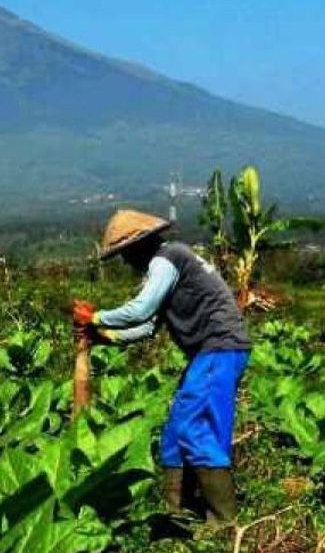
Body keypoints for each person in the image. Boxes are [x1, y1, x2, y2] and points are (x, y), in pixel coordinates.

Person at [74, 209, 251, 525]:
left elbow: (140, 310)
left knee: (197, 428)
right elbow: (147, 327)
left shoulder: (166, 259)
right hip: (209, 353)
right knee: (175, 431)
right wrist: (106, 337)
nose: (126, 263)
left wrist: (96, 318)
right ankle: (176, 512)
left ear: (137, 246)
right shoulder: (166, 267)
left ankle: (223, 522)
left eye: (125, 255)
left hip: (219, 347)